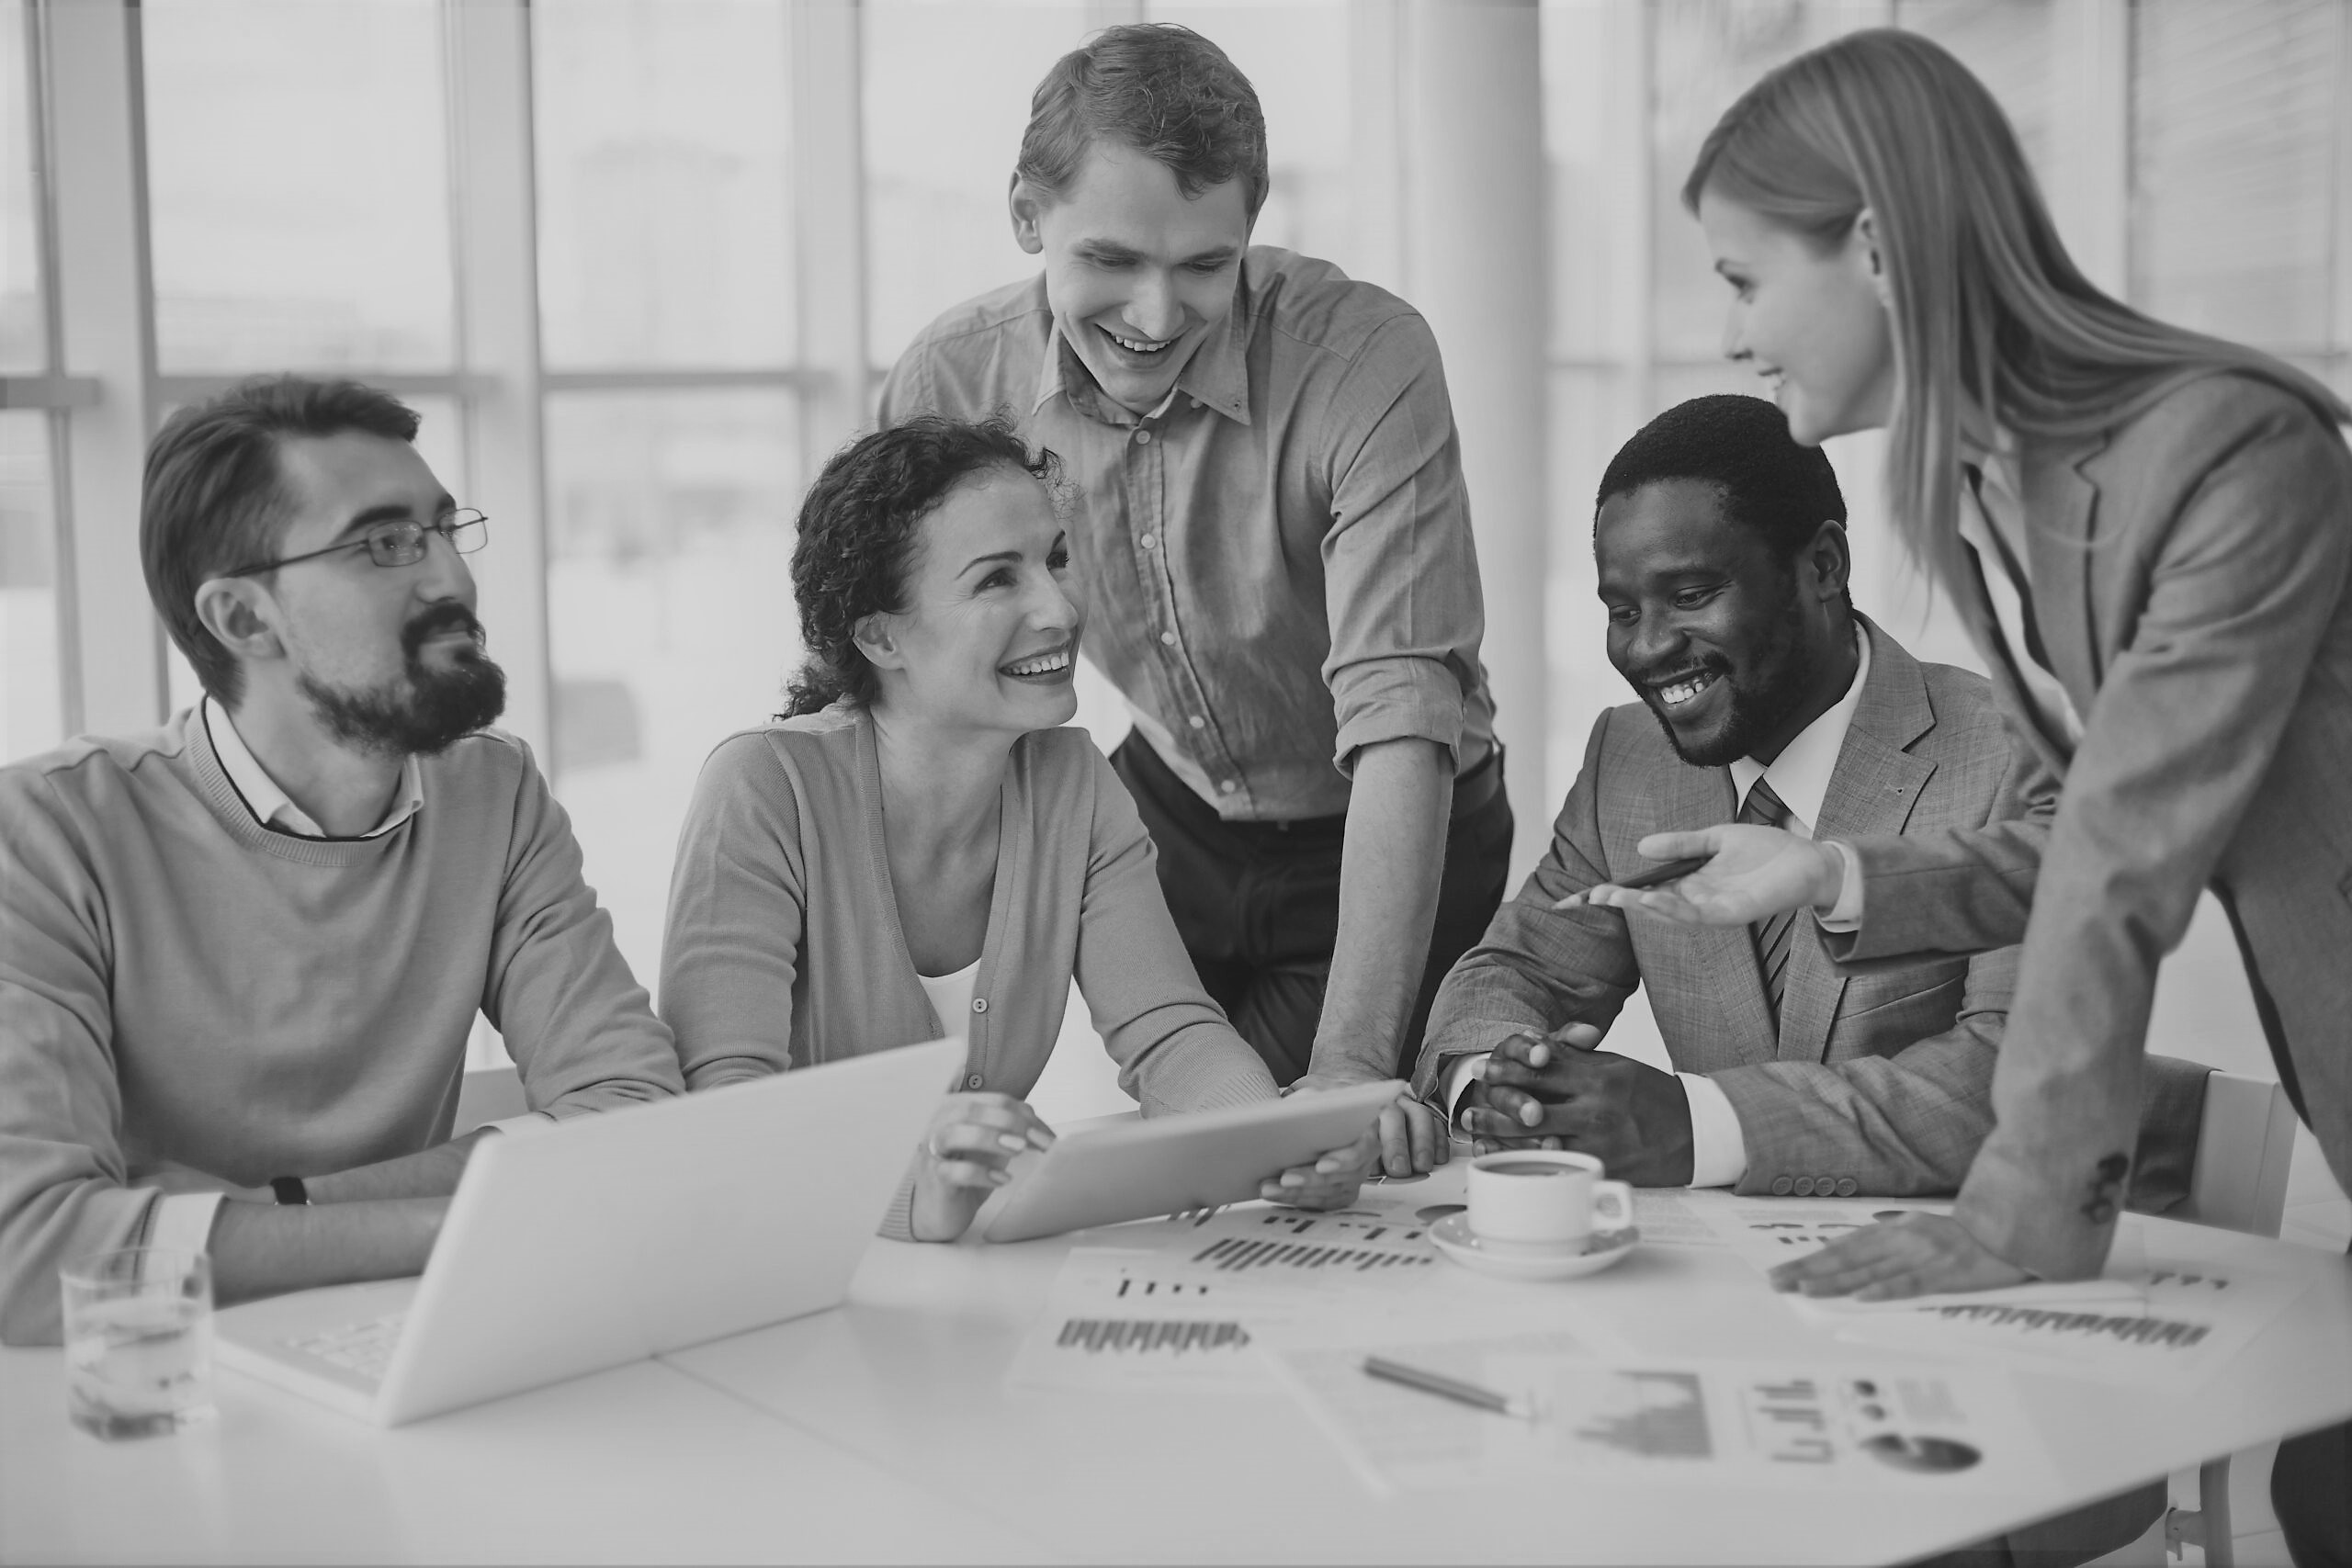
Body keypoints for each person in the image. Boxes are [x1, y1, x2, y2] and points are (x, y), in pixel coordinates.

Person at [1577, 32, 2351, 1563]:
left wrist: (2020, 1213)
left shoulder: (2228, 456)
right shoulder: (2010, 486)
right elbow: (2088, 828)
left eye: (1742, 277)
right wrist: (1839, 878)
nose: (1733, 332)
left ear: (1872, 244)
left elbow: (2129, 866)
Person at [876, 23, 1510, 1176]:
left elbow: (1400, 716)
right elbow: (903, 699)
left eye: (1205, 267)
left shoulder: (1364, 358)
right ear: (1027, 216)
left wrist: (1352, 1066)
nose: (1157, 316)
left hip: (1395, 827)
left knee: (1325, 1169)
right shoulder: (952, 382)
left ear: (1250, 238)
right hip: (1168, 820)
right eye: (1111, 259)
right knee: (1190, 1177)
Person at [0, 376, 683, 1346]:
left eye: (446, 529)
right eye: (384, 544)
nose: (451, 578)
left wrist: (272, 1210)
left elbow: (635, 1113)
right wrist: (441, 1225)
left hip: (403, 1356)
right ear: (243, 619)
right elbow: (29, 1255)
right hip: (154, 1392)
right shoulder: (47, 833)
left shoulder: (493, 794)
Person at [1413, 394, 2207, 1213]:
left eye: (1690, 595)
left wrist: (1698, 1124)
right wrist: (1500, 1083)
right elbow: (1520, 967)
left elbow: (2014, 1074)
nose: (1646, 647)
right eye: (1622, 611)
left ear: (1824, 566)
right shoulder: (1630, 756)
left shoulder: (2013, 754)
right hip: (1740, 1284)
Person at [660, 415, 1376, 1245]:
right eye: (998, 579)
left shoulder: (1073, 781)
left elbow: (1172, 1035)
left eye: (1056, 558)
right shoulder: (763, 788)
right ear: (879, 634)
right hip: (785, 1274)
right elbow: (723, 1117)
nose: (1060, 606)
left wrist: (1273, 1146)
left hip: (970, 1281)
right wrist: (911, 1197)